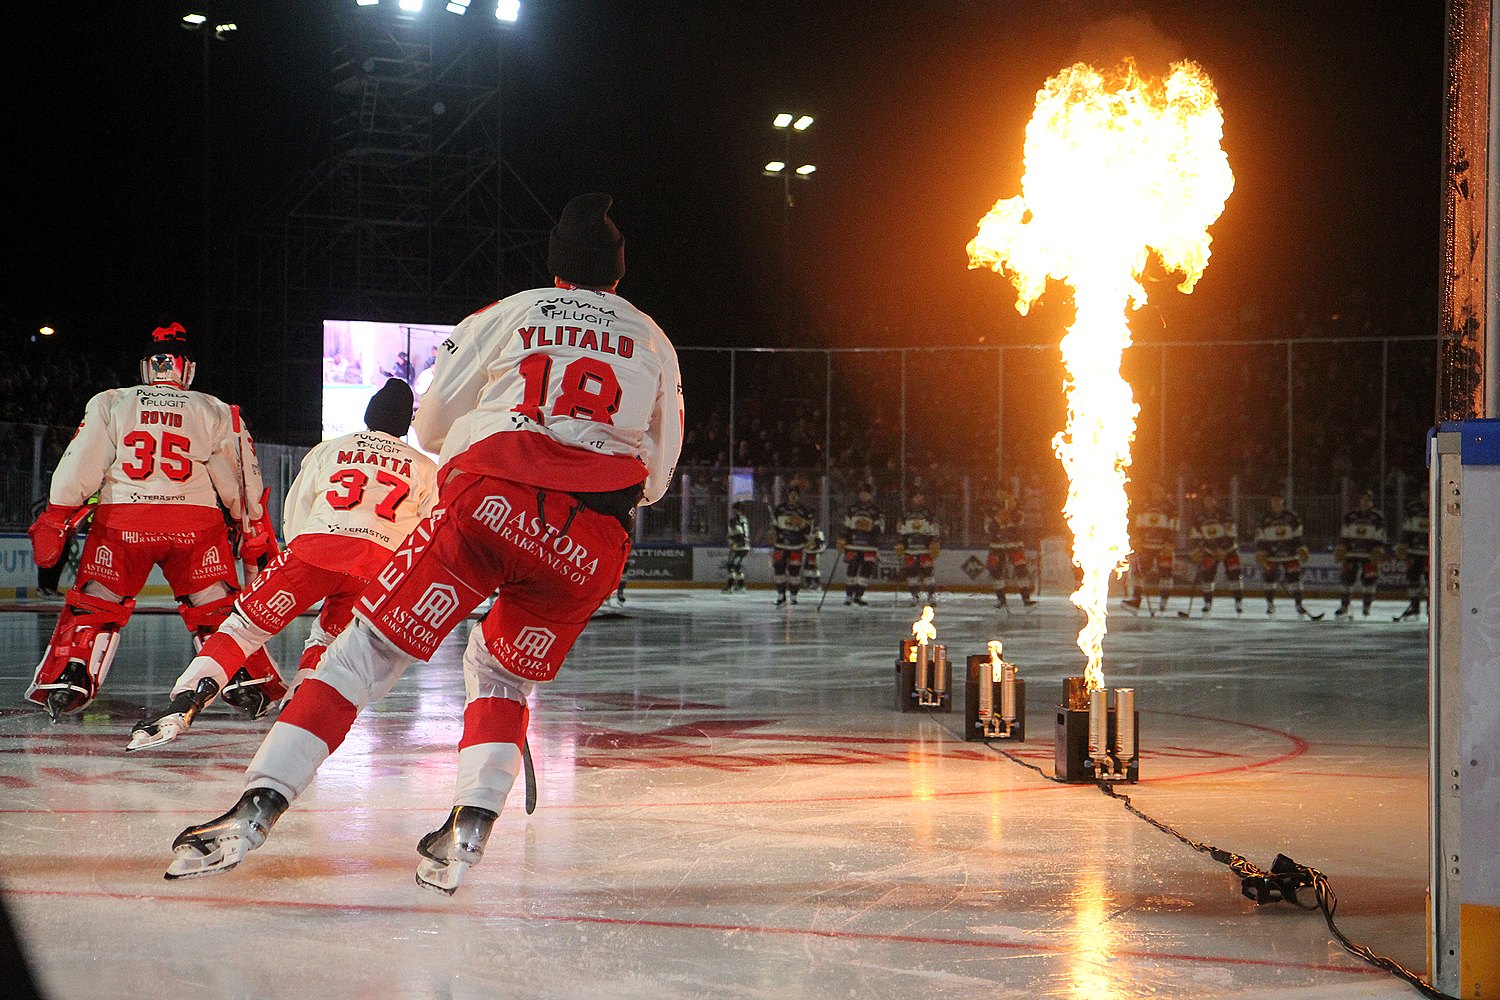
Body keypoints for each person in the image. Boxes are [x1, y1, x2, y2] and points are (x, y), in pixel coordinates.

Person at [165, 192, 683, 894]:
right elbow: (658, 473)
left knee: (363, 654)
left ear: (556, 268)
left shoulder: (506, 313)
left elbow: (434, 426)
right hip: (590, 540)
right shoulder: (654, 339)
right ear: (617, 277)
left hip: (487, 506)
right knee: (500, 674)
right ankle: (469, 825)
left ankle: (259, 804)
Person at [127, 379, 438, 750]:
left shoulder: (330, 449)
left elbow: (297, 511)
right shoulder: (424, 467)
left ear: (368, 413)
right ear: (407, 422)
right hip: (377, 567)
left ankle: (184, 703)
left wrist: (297, 557)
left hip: (314, 550)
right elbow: (428, 532)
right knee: (327, 643)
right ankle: (298, 717)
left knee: (243, 630)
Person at [25, 323, 282, 721]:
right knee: (215, 608)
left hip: (123, 519)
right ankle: (244, 679)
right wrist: (248, 519)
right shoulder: (215, 409)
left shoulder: (112, 401)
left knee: (95, 606)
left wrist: (58, 512)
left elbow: (81, 463)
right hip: (194, 524)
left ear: (148, 367)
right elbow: (239, 477)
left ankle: (70, 679)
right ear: (188, 369)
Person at [1255, 494, 1313, 617]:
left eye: (1278, 500)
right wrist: (1261, 551)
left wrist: (1300, 547)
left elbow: (1298, 535)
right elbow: (1260, 536)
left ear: (1282, 501)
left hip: (1290, 554)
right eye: (1274, 500)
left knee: (1294, 579)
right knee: (1269, 579)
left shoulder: (1291, 516)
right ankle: (1270, 604)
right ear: (1271, 501)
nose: (1276, 502)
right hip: (1271, 554)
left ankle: (1298, 605)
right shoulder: (1264, 518)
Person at [1123, 484, 1177, 615]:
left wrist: (1170, 543)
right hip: (1146, 546)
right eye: (1154, 491)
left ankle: (1164, 601)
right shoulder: (1145, 506)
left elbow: (1175, 525)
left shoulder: (1170, 508)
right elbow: (1139, 525)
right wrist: (1138, 540)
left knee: (1165, 574)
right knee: (1138, 571)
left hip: (1163, 547)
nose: (1156, 493)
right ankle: (1136, 600)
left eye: (1159, 491)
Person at [1188, 489, 1243, 615]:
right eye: (1206, 499)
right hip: (1210, 551)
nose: (1208, 502)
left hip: (1229, 550)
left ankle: (1238, 602)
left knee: (1234, 576)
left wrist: (1223, 549)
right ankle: (1207, 603)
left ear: (1215, 501)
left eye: (1211, 499)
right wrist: (1198, 548)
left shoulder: (1225, 515)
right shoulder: (1199, 517)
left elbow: (1232, 534)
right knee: (1207, 577)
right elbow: (1196, 536)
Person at [1334, 489, 1386, 618]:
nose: (1365, 502)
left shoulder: (1377, 518)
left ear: (1372, 502)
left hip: (1369, 554)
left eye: (1368, 500)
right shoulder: (1350, 516)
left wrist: (1379, 549)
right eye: (1363, 499)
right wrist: (1341, 547)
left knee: (1370, 580)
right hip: (1351, 553)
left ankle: (1366, 606)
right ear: (1359, 501)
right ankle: (1344, 605)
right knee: (1346, 579)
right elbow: (1344, 535)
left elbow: (1381, 537)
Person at [983, 484, 1034, 610]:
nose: (1002, 495)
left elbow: (1020, 521)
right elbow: (988, 527)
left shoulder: (1016, 506)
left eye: (1004, 492)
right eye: (1000, 493)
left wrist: (1011, 512)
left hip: (1014, 543)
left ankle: (1026, 598)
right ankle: (1001, 600)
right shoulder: (991, 508)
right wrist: (997, 520)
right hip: (997, 545)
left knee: (1021, 569)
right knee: (996, 571)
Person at [895, 488, 940, 607]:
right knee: (912, 574)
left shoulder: (929, 513)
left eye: (921, 495)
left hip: (925, 548)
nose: (918, 498)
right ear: (912, 498)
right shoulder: (905, 514)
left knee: (928, 573)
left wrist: (935, 542)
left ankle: (931, 596)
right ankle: (914, 596)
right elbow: (901, 531)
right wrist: (900, 543)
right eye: (916, 495)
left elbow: (935, 529)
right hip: (910, 548)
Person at [838, 483, 882, 606]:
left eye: (866, 493)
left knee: (866, 571)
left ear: (870, 494)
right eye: (861, 492)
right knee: (852, 569)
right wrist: (842, 538)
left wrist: (869, 527)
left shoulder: (876, 510)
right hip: (853, 544)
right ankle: (848, 596)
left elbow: (879, 528)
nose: (863, 495)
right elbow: (846, 526)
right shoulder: (851, 509)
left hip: (869, 545)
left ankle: (858, 595)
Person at [769, 486, 814, 606]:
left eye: (796, 494)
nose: (793, 496)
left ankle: (793, 596)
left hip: (796, 545)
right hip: (781, 544)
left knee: (794, 572)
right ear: (788, 495)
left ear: (798, 496)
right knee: (779, 570)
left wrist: (804, 528)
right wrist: (772, 533)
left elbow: (809, 529)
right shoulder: (779, 509)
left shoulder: (804, 511)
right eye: (791, 493)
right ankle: (780, 595)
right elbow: (774, 526)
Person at [1395, 486, 1430, 621]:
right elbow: (1406, 530)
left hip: (1431, 552)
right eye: (1424, 494)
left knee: (1431, 580)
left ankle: (1430, 607)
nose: (1426, 496)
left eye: (1428, 493)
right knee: (1412, 578)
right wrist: (1403, 544)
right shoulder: (1412, 509)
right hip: (1414, 551)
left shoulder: (1439, 503)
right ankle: (1414, 607)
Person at [724, 499, 751, 594]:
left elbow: (739, 533)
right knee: (738, 565)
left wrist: (733, 541)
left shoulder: (734, 520)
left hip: (738, 545)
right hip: (745, 545)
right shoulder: (745, 519)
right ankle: (740, 585)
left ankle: (730, 586)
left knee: (731, 565)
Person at [801, 526, 827, 597]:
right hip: (808, 552)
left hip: (815, 553)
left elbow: (820, 543)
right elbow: (804, 541)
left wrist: (814, 546)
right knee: (807, 568)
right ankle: (808, 584)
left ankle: (817, 584)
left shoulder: (818, 532)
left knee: (814, 568)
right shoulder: (806, 532)